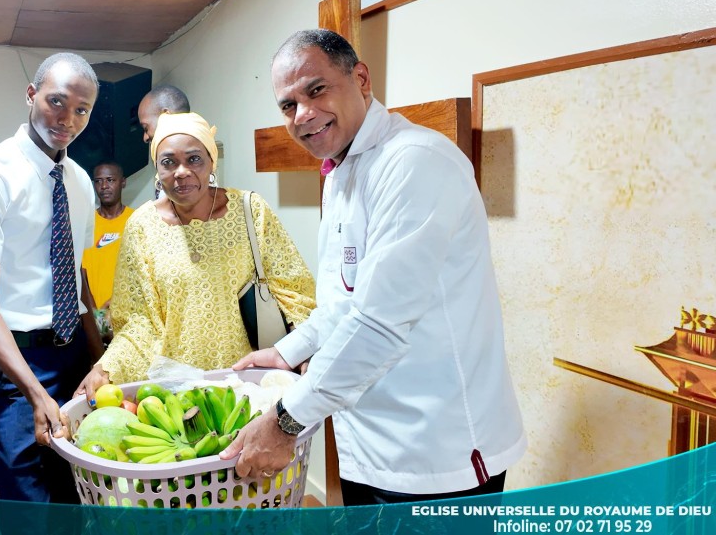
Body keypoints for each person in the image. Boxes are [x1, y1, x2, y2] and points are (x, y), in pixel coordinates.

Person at [221, 29, 526, 504]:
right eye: (288, 105)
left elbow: (378, 322)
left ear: (360, 78)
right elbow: (344, 303)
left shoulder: (414, 162)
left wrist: (285, 421)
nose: (303, 114)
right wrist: (285, 352)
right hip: (367, 442)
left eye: (316, 90)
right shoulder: (341, 172)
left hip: (436, 450)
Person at [0, 52, 105, 503]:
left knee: (77, 488)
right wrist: (35, 393)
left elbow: (76, 277)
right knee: (27, 495)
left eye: (82, 110)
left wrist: (99, 359)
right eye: (57, 101)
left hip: (72, 352)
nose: (68, 119)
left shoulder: (79, 181)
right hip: (15, 363)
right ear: (31, 94)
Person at [75, 112, 316, 393]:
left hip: (248, 382)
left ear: (212, 161)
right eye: (168, 162)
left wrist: (305, 348)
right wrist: (106, 368)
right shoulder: (142, 227)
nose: (181, 172)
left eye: (194, 159)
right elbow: (138, 322)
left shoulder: (250, 211)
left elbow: (295, 291)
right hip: (175, 390)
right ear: (157, 169)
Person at [81, 161, 133, 336]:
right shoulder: (86, 223)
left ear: (123, 182)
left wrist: (116, 304)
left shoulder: (136, 221)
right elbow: (81, 275)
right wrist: (96, 314)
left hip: (128, 317)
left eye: (110, 180)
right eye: (98, 181)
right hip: (93, 318)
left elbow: (143, 275)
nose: (104, 186)